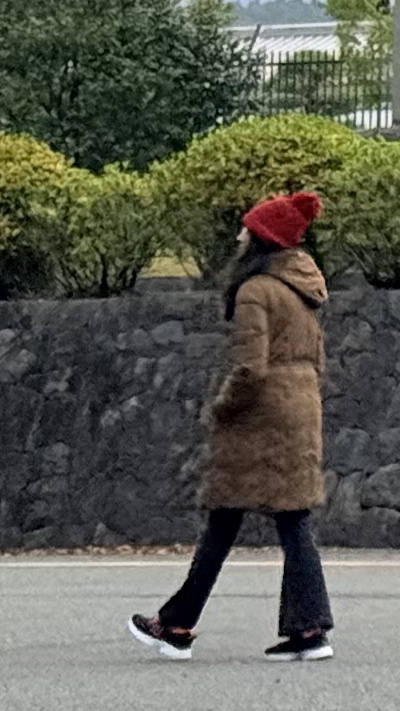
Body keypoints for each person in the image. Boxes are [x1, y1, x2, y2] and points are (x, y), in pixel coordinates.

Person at [131, 189, 334, 661]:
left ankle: (177, 625)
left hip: (259, 417)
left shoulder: (255, 290)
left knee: (226, 520)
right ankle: (307, 630)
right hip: (300, 409)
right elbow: (317, 359)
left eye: (247, 228)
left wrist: (222, 408)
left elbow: (249, 367)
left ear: (261, 238)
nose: (239, 234)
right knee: (290, 518)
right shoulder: (302, 289)